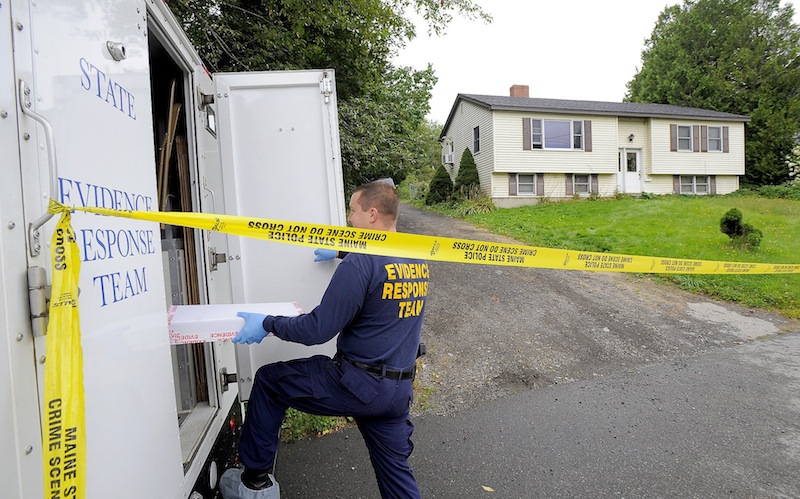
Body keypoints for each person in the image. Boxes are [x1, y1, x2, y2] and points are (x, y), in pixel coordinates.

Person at [220, 180, 429, 499]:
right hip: (398, 391)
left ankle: (255, 483)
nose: (349, 220)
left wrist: (266, 323)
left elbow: (317, 330)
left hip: (359, 385)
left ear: (372, 215)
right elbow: (383, 270)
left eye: (353, 212)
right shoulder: (414, 256)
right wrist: (342, 250)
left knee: (269, 382)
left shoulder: (362, 262)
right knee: (397, 479)